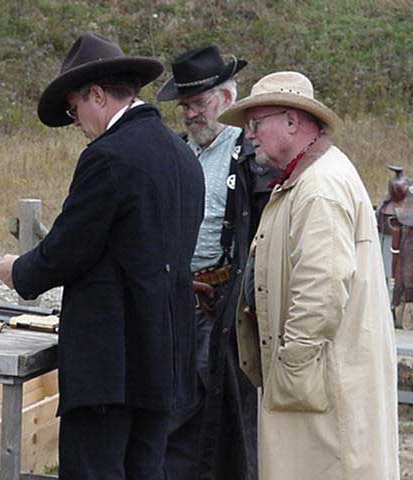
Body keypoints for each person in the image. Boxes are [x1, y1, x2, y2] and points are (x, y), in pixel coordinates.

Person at [0, 32, 205, 480]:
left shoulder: (108, 157)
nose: (75, 121)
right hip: (163, 357)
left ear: (97, 95)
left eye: (74, 109)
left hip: (111, 364)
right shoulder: (182, 155)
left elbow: (68, 247)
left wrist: (18, 271)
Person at [219, 71, 400, 479]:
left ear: (291, 121)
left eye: (255, 123)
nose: (249, 136)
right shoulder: (306, 181)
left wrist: (291, 370)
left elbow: (321, 292)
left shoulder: (319, 187)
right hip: (320, 381)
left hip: (324, 385)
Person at [156, 45, 278, 480]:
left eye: (199, 103)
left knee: (226, 417)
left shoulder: (250, 157)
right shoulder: (174, 152)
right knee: (175, 414)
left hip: (225, 300)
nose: (190, 114)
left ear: (227, 100)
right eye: (185, 105)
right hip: (177, 300)